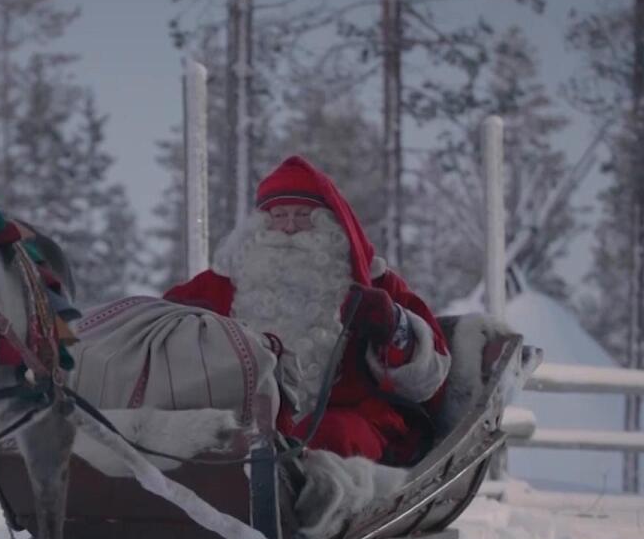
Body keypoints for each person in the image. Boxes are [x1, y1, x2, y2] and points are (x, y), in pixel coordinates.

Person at [164, 155, 451, 466]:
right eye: (279, 215)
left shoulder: (375, 284)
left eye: (303, 216)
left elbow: (429, 378)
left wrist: (393, 324)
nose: (289, 227)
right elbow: (157, 328)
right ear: (261, 223)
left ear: (328, 224)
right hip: (242, 421)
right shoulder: (218, 286)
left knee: (325, 440)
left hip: (343, 421)